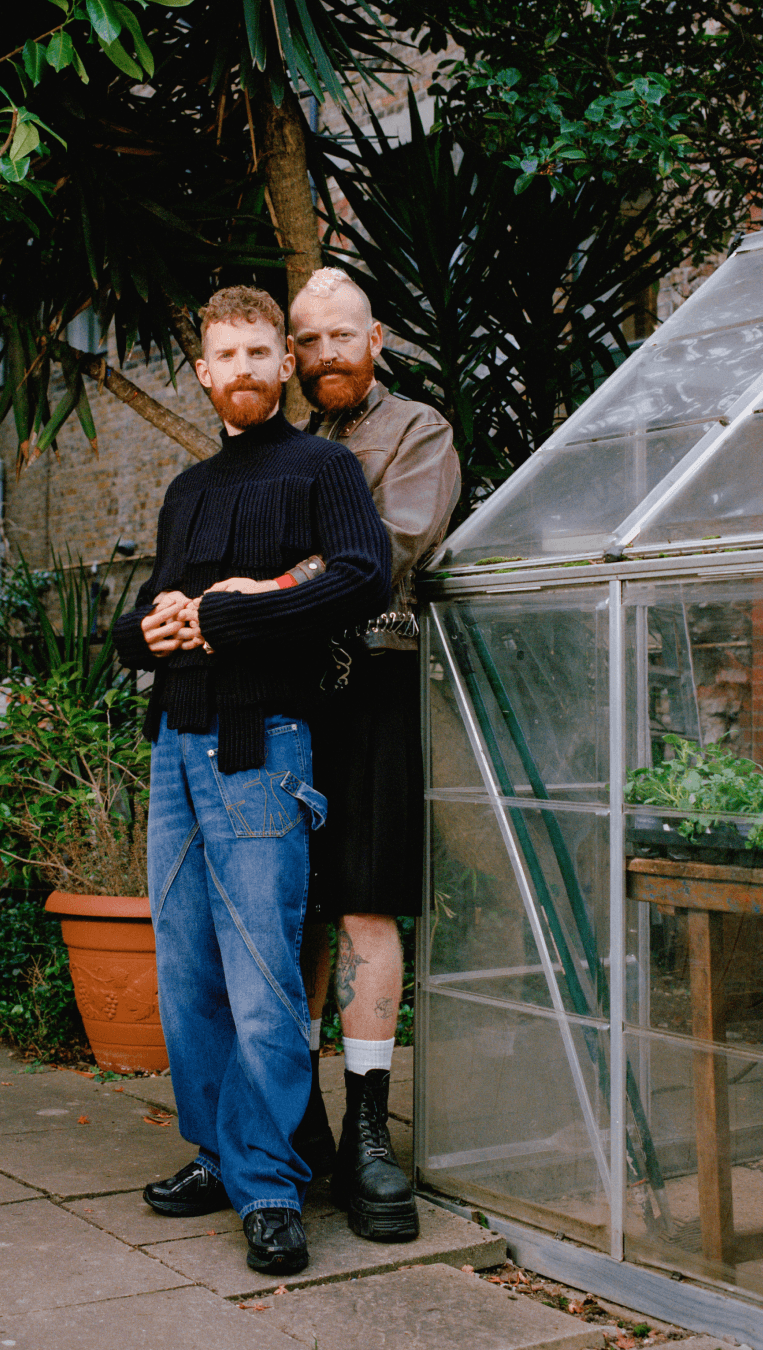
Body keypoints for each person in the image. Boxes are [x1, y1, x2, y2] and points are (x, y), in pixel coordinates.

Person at [112, 284, 391, 1278]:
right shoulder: (189, 488)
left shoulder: (324, 468)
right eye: (222, 356)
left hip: (264, 745)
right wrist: (144, 629)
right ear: (202, 370)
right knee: (188, 976)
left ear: (282, 365)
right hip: (175, 746)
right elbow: (147, 604)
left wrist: (224, 620)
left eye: (257, 354)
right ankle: (222, 1157)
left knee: (267, 975)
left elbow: (366, 575)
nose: (240, 371)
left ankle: (271, 1186)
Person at [288, 267, 461, 1243]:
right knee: (287, 903)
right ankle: (290, 1125)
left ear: (376, 337)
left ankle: (366, 1133)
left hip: (378, 689)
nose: (325, 357)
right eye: (307, 344)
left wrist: (276, 576)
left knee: (359, 900)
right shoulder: (293, 448)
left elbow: (384, 554)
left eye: (339, 337)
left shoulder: (417, 432)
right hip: (286, 703)